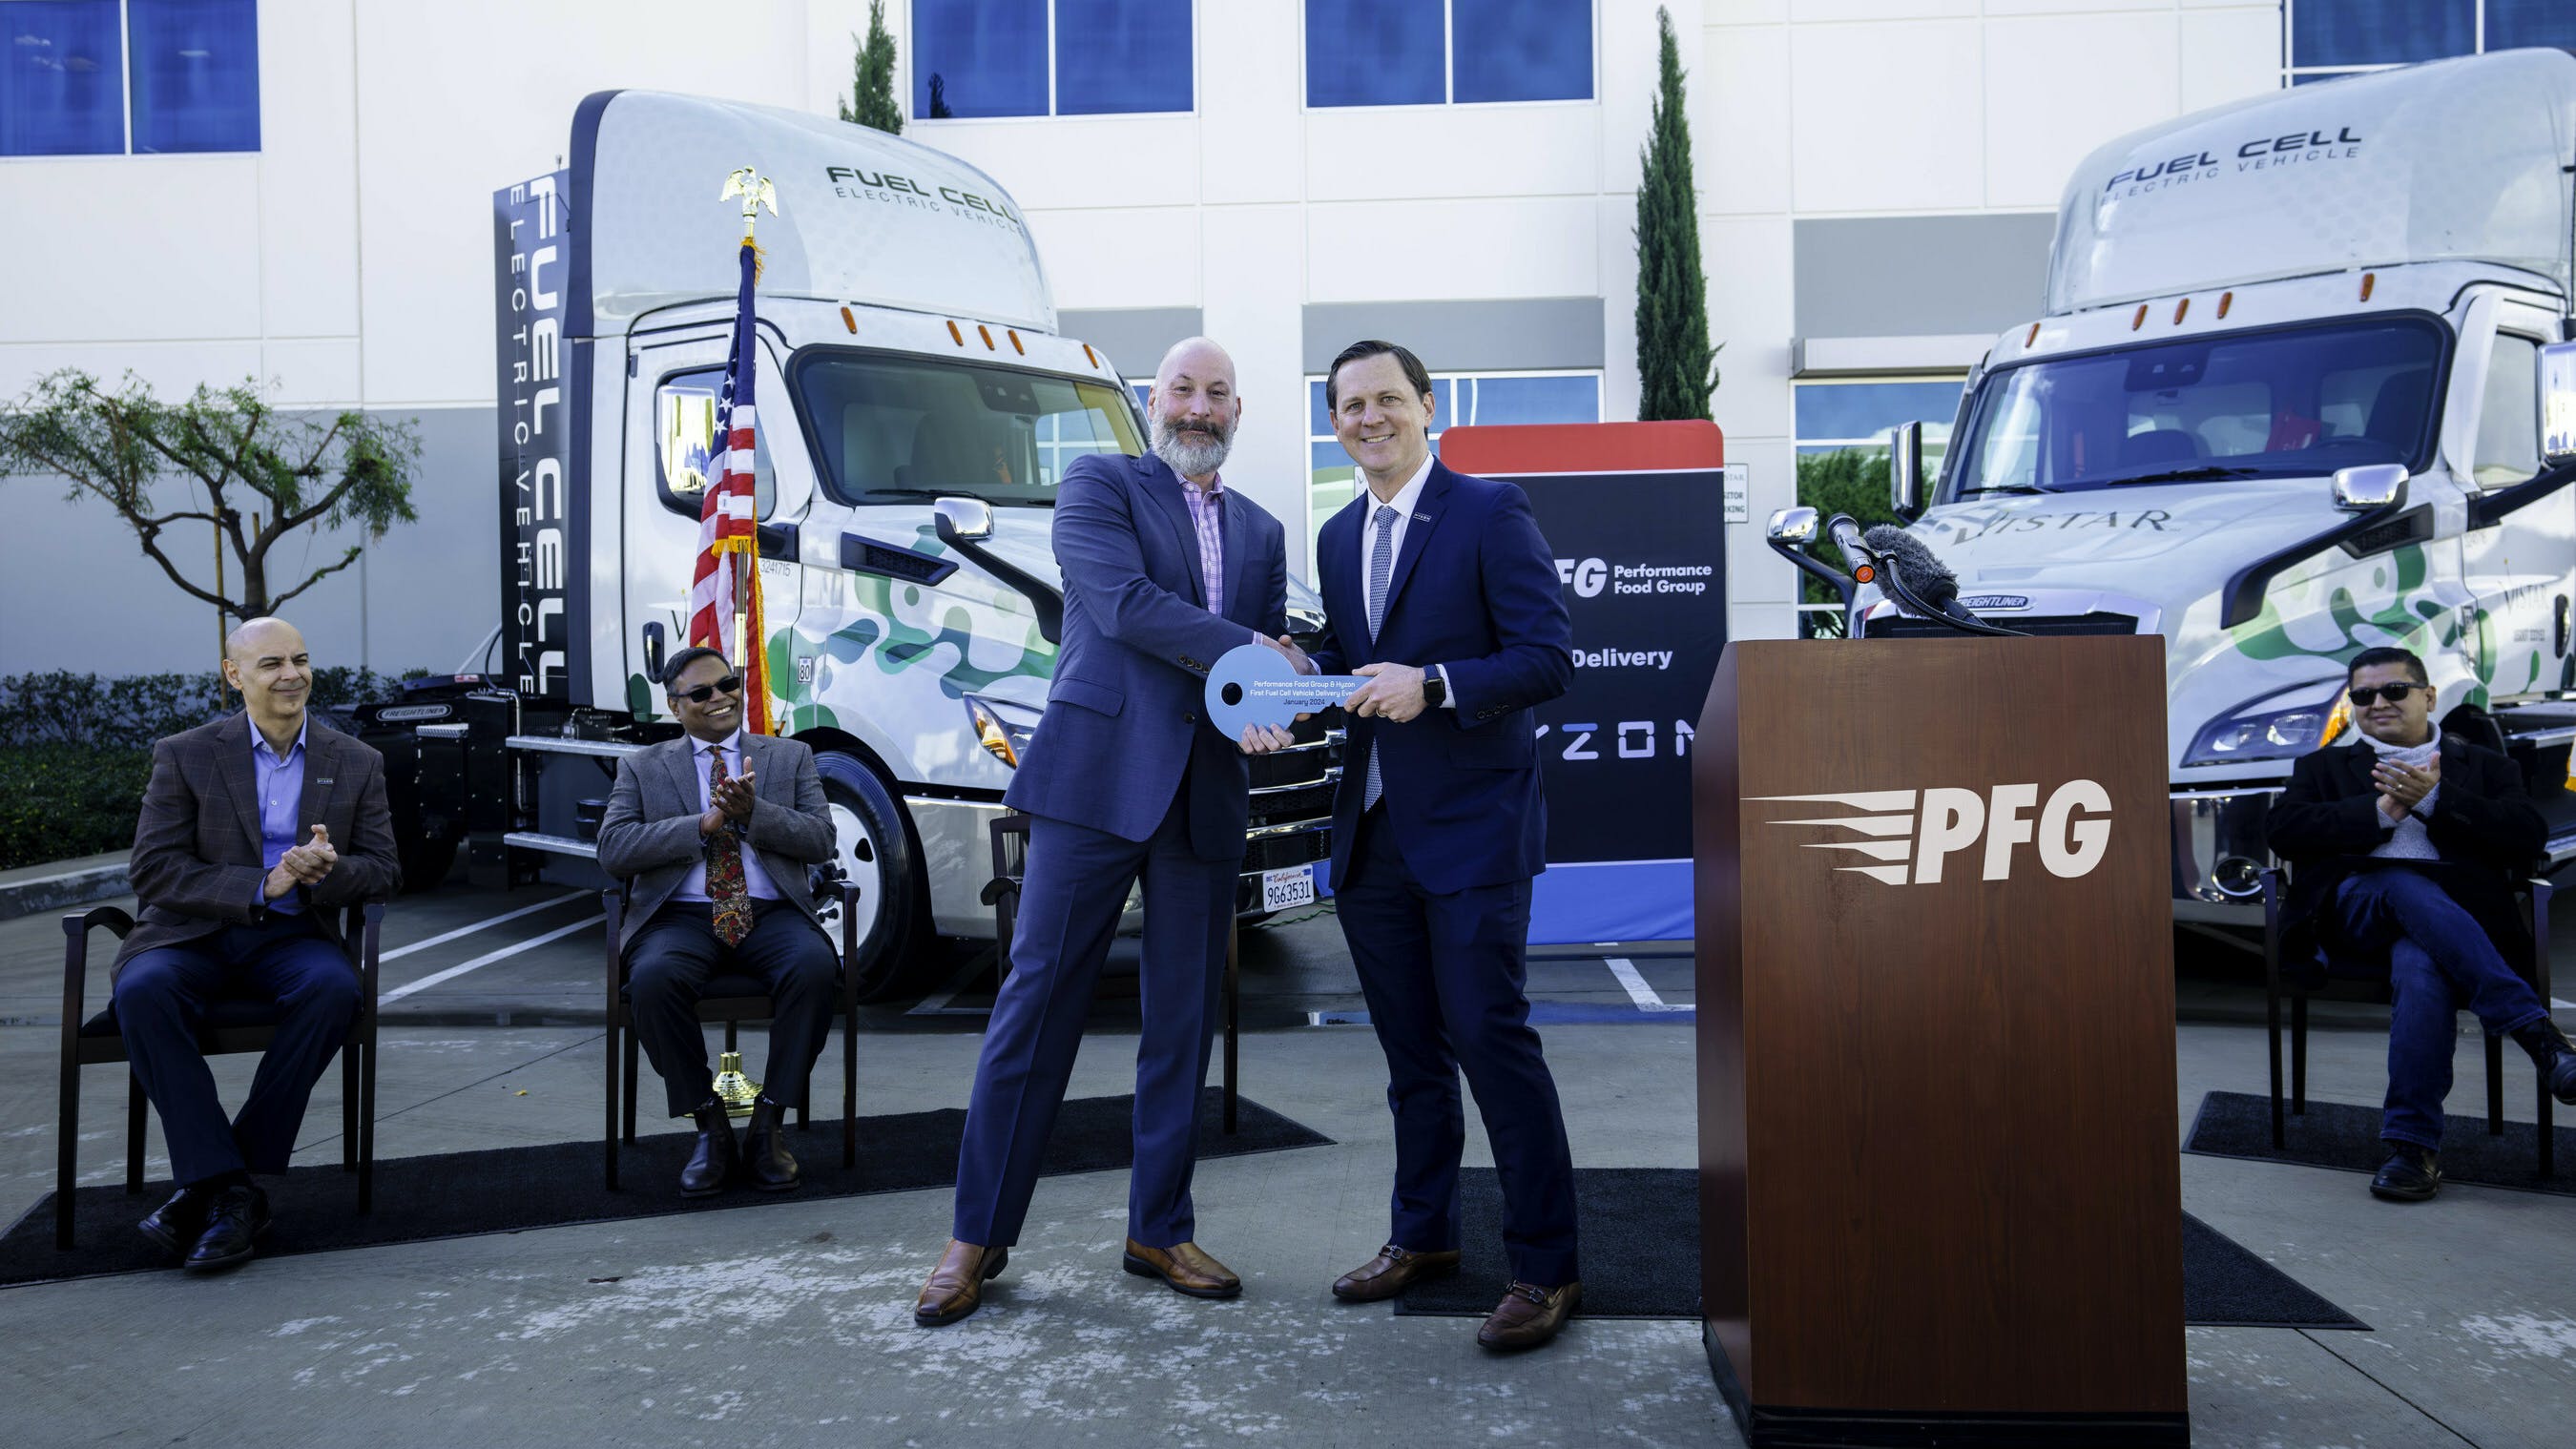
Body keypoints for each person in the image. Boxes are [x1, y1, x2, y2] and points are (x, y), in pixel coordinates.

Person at [915, 336, 1300, 1327]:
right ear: (1151, 400)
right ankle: (977, 1237)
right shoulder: (1097, 486)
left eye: (1218, 394)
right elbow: (1126, 609)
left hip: (1204, 792)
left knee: (1182, 1024)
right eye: (1182, 390)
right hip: (1096, 784)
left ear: (1237, 412)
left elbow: (1236, 679)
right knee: (1036, 1008)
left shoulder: (1261, 531)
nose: (1198, 409)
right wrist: (1253, 647)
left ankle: (1158, 1227)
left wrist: (1271, 686)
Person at [1278, 339, 1582, 1349]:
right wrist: (1300, 663)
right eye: (1350, 405)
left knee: (1493, 1045)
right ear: (1335, 422)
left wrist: (1438, 684)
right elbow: (1354, 659)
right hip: (1367, 836)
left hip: (1472, 835)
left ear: (1426, 405)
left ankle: (1545, 1268)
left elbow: (1547, 657)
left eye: (1387, 399)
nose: (1369, 417)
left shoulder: (1491, 513)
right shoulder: (1335, 534)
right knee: (1412, 1058)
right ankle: (1425, 1237)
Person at [114, 616, 399, 1273]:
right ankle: (233, 1192)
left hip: (294, 933)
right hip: (193, 931)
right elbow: (154, 869)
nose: (291, 674)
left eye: (300, 659)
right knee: (141, 989)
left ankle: (218, 1186)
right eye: (271, 663)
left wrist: (330, 869)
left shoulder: (356, 761)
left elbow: (385, 868)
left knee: (333, 988)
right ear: (234, 674)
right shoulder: (185, 753)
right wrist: (261, 883)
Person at [2267, 645, 2576, 1201]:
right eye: (2362, 695)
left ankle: (2412, 1149)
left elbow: (2528, 835)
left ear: (2429, 696)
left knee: (2420, 963)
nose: (2377, 703)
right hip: (2353, 917)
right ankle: (2537, 1035)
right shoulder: (2323, 767)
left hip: (2453, 931)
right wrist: (2375, 814)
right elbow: (2283, 829)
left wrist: (2436, 800)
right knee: (2400, 885)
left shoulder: (2482, 765)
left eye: (2393, 690)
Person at [596, 647, 841, 1198]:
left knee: (815, 967)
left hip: (771, 911)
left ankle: (767, 1123)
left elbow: (822, 840)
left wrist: (755, 814)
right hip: (679, 917)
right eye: (701, 692)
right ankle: (709, 1125)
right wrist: (701, 825)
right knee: (654, 981)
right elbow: (613, 849)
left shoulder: (788, 756)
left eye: (728, 684)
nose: (720, 697)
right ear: (674, 706)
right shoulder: (642, 766)